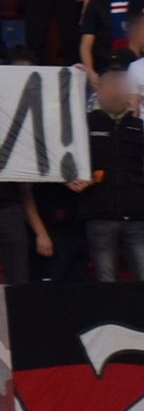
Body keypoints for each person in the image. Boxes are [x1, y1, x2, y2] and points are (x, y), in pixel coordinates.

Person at [80, 63, 144, 282]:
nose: (116, 93)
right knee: (106, 281)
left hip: (137, 217)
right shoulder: (85, 125)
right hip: (100, 215)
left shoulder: (138, 127)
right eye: (111, 88)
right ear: (99, 92)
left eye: (120, 88)